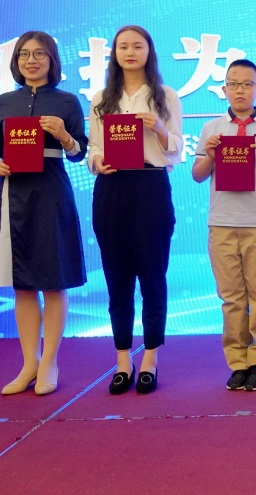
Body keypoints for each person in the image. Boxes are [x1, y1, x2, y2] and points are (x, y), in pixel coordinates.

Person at [0, 31, 88, 396]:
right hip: (14, 193)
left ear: (52, 60)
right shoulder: (4, 102)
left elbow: (79, 152)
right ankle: (29, 362)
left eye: (40, 54)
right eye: (24, 54)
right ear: (15, 61)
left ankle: (50, 363)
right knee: (22, 283)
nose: (31, 60)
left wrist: (63, 136)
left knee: (54, 279)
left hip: (51, 191)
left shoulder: (67, 101)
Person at [89, 25, 183, 395]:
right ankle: (122, 360)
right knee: (117, 279)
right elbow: (95, 149)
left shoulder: (166, 96)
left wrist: (159, 128)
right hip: (111, 189)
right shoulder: (101, 98)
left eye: (137, 46)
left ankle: (151, 359)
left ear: (149, 51)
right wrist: (98, 161)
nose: (130, 52)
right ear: (114, 53)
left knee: (153, 276)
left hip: (150, 187)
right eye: (123, 47)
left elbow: (177, 149)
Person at [192, 59, 256, 392]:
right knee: (232, 298)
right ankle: (237, 363)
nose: (240, 90)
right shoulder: (211, 128)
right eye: (233, 84)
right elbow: (197, 175)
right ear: (224, 89)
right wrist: (209, 154)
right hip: (222, 223)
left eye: (247, 84)